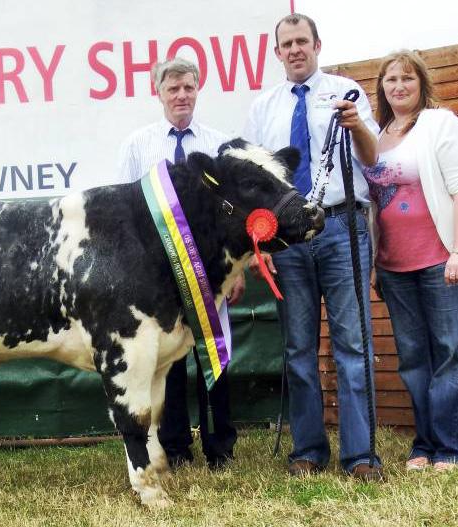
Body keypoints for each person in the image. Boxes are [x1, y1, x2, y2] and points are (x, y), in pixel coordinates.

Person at [242, 13, 384, 481]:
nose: (296, 49)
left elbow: (372, 157)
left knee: (352, 345)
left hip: (342, 228)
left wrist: (357, 124)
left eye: (303, 41)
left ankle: (361, 456)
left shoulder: (347, 92)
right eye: (287, 43)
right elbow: (258, 182)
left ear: (318, 45)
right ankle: (308, 450)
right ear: (277, 53)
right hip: (286, 240)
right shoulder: (263, 107)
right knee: (299, 349)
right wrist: (261, 246)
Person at [117, 57, 240, 469]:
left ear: (197, 89)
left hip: (211, 274)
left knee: (214, 352)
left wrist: (236, 271)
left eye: (188, 87)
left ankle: (220, 446)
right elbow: (124, 210)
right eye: (173, 89)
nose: (181, 95)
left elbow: (232, 215)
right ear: (159, 93)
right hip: (157, 277)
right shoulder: (138, 145)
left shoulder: (221, 144)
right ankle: (175, 447)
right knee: (166, 359)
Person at [365, 50, 458, 472]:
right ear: (381, 87)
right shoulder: (377, 136)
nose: (398, 86)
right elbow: (373, 206)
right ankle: (425, 444)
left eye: (407, 79)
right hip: (396, 265)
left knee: (450, 351)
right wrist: (377, 262)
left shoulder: (441, 124)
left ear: (422, 84)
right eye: (391, 79)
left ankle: (452, 448)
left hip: (443, 259)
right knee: (414, 357)